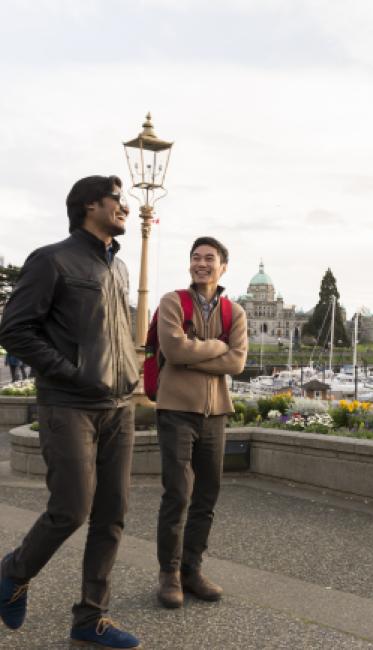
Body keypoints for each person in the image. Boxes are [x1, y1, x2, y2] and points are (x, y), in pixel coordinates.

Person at [0, 175, 141, 648]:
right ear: (89, 206)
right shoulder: (51, 259)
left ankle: (90, 618)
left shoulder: (118, 269)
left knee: (113, 514)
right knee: (71, 509)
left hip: (119, 406)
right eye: (116, 200)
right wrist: (73, 374)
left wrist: (132, 377)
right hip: (69, 405)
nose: (125, 207)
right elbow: (15, 330)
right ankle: (12, 573)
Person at [155, 236, 247, 609]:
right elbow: (172, 349)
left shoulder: (234, 312)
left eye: (209, 258)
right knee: (178, 494)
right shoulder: (172, 302)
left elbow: (237, 363)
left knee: (207, 496)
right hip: (176, 409)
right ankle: (169, 575)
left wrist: (191, 355)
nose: (201, 263)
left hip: (216, 413)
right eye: (196, 257)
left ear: (223, 266)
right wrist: (217, 347)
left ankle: (192, 570)